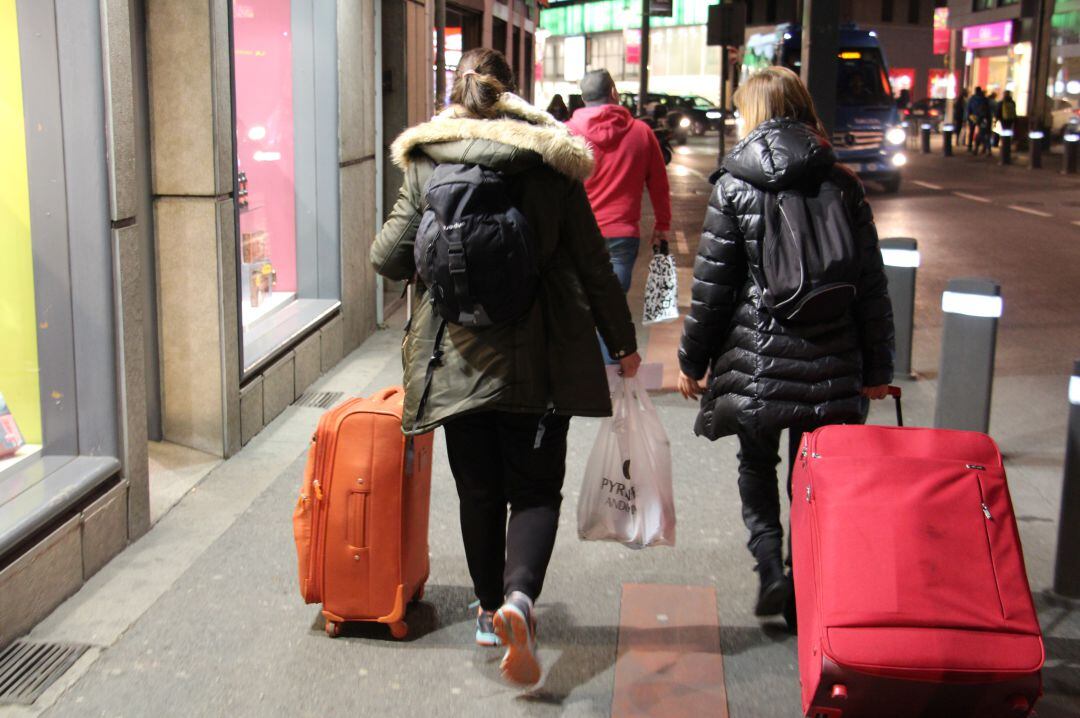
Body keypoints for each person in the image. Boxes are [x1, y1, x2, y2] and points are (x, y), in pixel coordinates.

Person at [371, 48, 641, 687]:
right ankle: (521, 597)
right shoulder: (551, 163)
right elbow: (594, 266)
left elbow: (387, 256)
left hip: (455, 360)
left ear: (455, 93)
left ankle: (489, 611)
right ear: (513, 93)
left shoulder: (427, 160)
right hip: (540, 362)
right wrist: (623, 345)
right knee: (536, 490)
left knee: (479, 491)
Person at [676, 66, 894, 623]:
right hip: (834, 357)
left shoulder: (734, 185)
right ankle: (805, 579)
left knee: (756, 462)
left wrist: (692, 361)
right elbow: (871, 285)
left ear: (753, 113)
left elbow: (713, 289)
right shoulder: (842, 182)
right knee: (813, 473)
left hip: (758, 359)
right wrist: (878, 367)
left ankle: (770, 565)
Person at [566, 69, 672, 363]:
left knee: (577, 308)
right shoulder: (641, 132)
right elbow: (659, 183)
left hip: (577, 235)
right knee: (612, 309)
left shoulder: (566, 133)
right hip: (622, 235)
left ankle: (581, 374)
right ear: (613, 92)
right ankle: (611, 377)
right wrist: (662, 225)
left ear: (583, 97)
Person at [966, 86, 989, 152]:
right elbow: (987, 108)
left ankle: (970, 146)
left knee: (972, 131)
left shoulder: (972, 98)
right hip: (981, 117)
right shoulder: (984, 98)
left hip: (973, 116)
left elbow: (969, 108)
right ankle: (982, 147)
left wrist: (968, 116)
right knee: (981, 132)